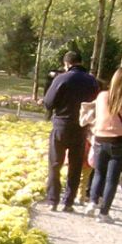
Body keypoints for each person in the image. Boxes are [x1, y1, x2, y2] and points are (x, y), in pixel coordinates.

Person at [42, 50, 98, 212]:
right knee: (75, 166)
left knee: (55, 163)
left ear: (67, 63)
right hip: (81, 127)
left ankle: (53, 199)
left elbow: (48, 102)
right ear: (80, 62)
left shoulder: (61, 78)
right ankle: (68, 202)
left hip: (61, 124)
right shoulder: (92, 81)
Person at [85, 67, 122, 223]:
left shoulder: (102, 96)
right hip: (120, 141)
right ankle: (104, 213)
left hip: (100, 138)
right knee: (112, 179)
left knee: (98, 173)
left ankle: (92, 202)